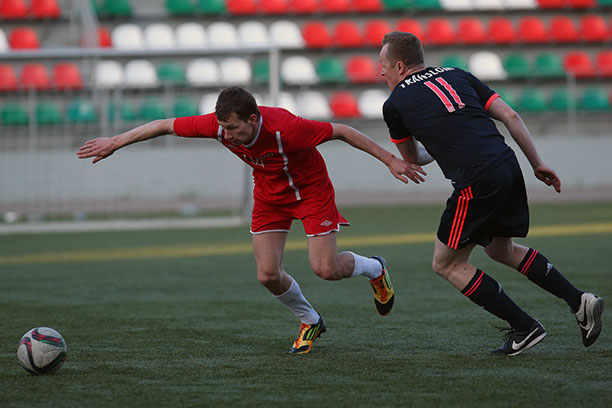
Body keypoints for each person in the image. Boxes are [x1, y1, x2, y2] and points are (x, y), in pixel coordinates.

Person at [77, 86, 428, 354]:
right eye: (222, 127)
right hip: (270, 197)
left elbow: (343, 131)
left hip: (311, 192)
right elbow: (164, 125)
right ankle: (310, 320)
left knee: (325, 268)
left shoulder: (289, 128)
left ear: (254, 120)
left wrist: (390, 160)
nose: (226, 135)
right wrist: (116, 142)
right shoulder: (219, 127)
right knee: (267, 275)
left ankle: (375, 269)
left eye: (233, 128)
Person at [378, 31, 604, 355]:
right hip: (507, 165)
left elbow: (412, 158)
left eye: (383, 66)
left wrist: (437, 145)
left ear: (399, 66)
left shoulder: (394, 104)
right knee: (500, 250)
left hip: (476, 182)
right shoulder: (458, 74)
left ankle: (525, 327)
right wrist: (537, 163)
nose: (381, 73)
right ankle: (579, 300)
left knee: (446, 264)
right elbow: (510, 116)